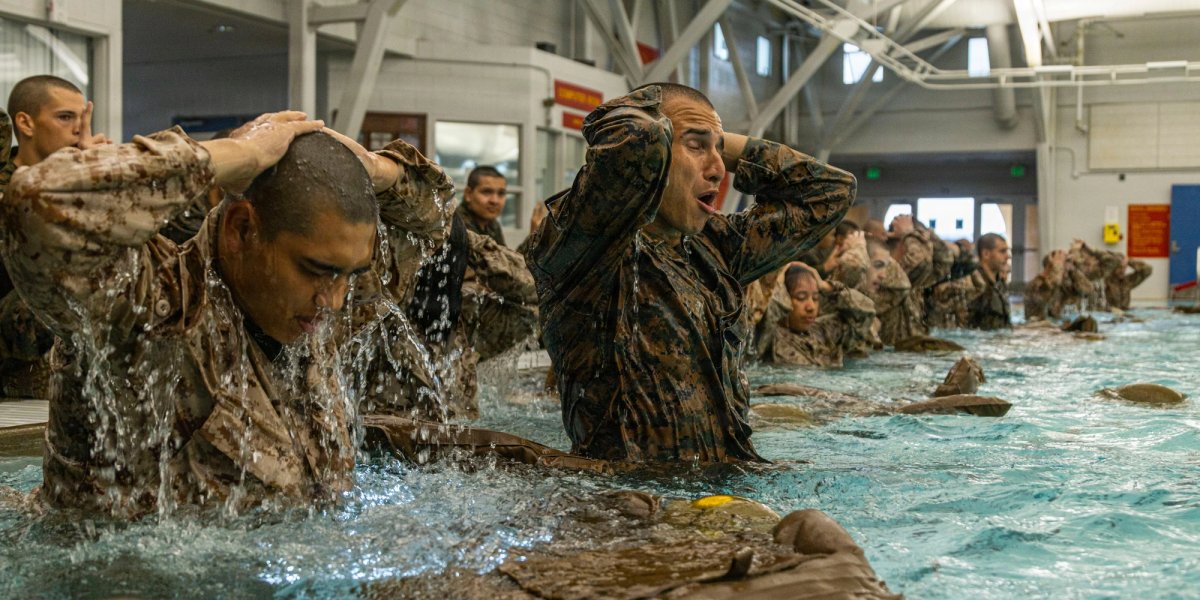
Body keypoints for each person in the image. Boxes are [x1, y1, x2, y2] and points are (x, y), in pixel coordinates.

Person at [1, 112, 457, 516]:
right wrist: (232, 154)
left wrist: (371, 167)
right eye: (317, 271)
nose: (334, 300)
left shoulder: (320, 307)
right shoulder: (148, 309)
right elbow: (38, 200)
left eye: (348, 275)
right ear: (242, 229)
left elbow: (434, 215)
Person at [523, 83, 856, 463]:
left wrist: (713, 138)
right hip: (632, 504)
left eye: (720, 152)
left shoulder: (717, 248)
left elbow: (831, 192)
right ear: (659, 153)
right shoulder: (587, 251)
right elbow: (638, 136)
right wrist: (676, 126)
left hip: (721, 487)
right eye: (696, 147)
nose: (718, 171)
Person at [0, 77, 112, 398]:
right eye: (65, 117)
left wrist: (97, 181)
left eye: (82, 118)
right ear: (26, 123)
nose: (78, 129)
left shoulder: (82, 178)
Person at [759, 262, 875, 368]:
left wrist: (827, 287)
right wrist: (779, 281)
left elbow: (866, 311)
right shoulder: (769, 336)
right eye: (801, 298)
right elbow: (772, 308)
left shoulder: (823, 332)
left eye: (815, 298)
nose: (811, 307)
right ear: (786, 297)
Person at [966, 232, 1012, 329]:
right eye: (1002, 251)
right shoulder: (972, 283)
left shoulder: (999, 284)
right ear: (986, 254)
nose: (1008, 256)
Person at [457, 165, 509, 245]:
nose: (495, 201)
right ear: (468, 194)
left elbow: (504, 256)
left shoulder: (492, 224)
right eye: (487, 192)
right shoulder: (457, 224)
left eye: (501, 193)